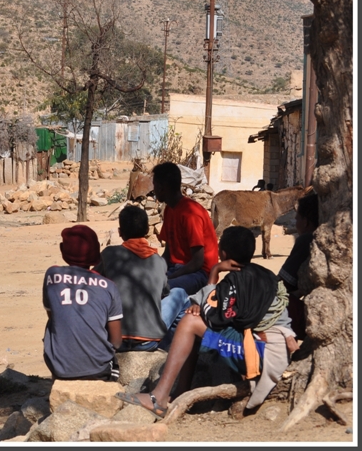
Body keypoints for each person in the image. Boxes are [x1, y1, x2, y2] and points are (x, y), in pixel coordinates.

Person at [117, 226, 297, 419]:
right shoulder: (266, 276)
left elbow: (213, 315)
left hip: (260, 354)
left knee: (188, 323)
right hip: (273, 348)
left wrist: (214, 273)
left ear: (223, 253)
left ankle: (159, 397)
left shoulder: (235, 283)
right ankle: (179, 394)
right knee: (194, 323)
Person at [97, 205, 190, 352]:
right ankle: (169, 349)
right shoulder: (159, 261)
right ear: (147, 231)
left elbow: (94, 284)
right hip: (149, 342)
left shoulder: (108, 254)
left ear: (120, 232)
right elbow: (164, 293)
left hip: (114, 338)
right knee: (180, 294)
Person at [43, 224, 124, 381]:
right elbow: (116, 341)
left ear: (62, 249)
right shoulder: (108, 286)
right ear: (95, 252)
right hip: (98, 369)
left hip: (60, 368)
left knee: (53, 324)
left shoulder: (51, 275)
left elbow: (52, 315)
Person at [153, 162, 218, 295]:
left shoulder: (191, 214)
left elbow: (197, 261)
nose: (153, 190)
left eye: (154, 185)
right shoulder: (169, 209)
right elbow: (168, 253)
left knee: (160, 289)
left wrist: (170, 277)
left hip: (199, 273)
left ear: (161, 187)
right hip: (176, 268)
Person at [278, 191, 318, 337]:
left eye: (297, 219)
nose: (296, 223)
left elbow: (283, 284)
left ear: (306, 222)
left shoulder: (306, 239)